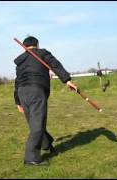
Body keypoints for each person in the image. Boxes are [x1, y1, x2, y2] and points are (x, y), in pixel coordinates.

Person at [14, 36, 78, 166]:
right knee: (37, 124)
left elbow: (17, 81)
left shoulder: (21, 61)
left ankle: (47, 145)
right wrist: (67, 80)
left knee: (34, 123)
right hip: (36, 89)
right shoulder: (42, 53)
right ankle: (31, 159)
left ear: (25, 46)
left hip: (22, 92)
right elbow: (55, 65)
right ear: (37, 45)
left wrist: (18, 101)